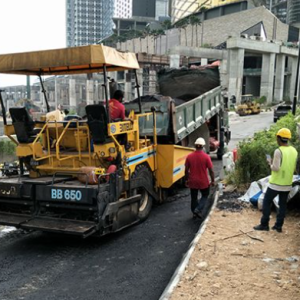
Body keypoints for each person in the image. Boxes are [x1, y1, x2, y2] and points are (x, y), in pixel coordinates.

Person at [254, 128, 298, 233]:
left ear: (278, 138)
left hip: (276, 183)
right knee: (282, 205)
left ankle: (264, 224)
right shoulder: (294, 151)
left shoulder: (278, 151)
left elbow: (276, 168)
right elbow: (293, 166)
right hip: (287, 183)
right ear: (288, 138)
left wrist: (270, 163)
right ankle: (278, 226)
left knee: (266, 201)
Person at [185, 137, 215, 219]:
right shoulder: (206, 157)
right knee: (205, 195)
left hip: (193, 181)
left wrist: (187, 180)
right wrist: (212, 181)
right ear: (203, 146)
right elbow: (211, 170)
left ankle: (194, 212)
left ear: (195, 146)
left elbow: (186, 170)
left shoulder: (189, 156)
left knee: (193, 198)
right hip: (203, 181)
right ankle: (198, 209)